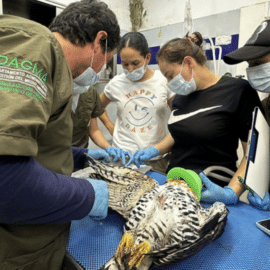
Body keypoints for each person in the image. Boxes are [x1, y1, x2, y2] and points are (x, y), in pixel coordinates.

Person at [0, 1, 121, 269]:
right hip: (14, 252)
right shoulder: (37, 46)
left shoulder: (53, 73)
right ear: (100, 40)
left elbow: (32, 144)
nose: (98, 72)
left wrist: (80, 156)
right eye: (105, 61)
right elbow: (5, 180)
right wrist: (89, 195)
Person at [131, 37, 263, 205]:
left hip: (213, 191)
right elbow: (179, 132)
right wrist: (154, 150)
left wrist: (232, 192)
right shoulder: (181, 97)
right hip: (175, 185)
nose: (169, 83)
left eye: (170, 75)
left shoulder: (237, 91)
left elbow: (253, 153)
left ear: (188, 62)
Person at [99, 32, 176, 174]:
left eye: (135, 63)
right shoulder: (116, 83)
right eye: (125, 64)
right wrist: (110, 126)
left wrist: (165, 145)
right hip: (121, 157)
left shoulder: (163, 80)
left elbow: (177, 117)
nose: (130, 69)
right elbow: (97, 107)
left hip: (156, 158)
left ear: (147, 57)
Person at [223, 19, 270, 211]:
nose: (252, 72)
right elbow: (255, 155)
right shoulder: (265, 107)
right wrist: (231, 191)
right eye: (250, 65)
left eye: (258, 63)